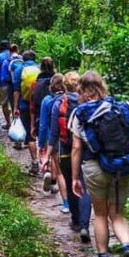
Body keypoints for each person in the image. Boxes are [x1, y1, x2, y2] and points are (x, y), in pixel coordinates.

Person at [69, 71, 129, 257]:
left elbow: (76, 148)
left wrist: (75, 177)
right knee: (117, 214)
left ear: (81, 90)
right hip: (121, 166)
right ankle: (128, 247)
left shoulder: (80, 113)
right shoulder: (121, 107)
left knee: (100, 214)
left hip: (94, 168)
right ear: (102, 86)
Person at [46, 71, 91, 241]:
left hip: (65, 151)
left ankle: (75, 221)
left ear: (65, 85)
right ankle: (85, 226)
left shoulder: (59, 103)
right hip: (85, 151)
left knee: (73, 185)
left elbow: (54, 131)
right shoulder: (86, 103)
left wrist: (48, 153)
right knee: (85, 188)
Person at [11, 50, 39, 165]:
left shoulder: (19, 70)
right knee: (44, 135)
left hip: (25, 105)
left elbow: (17, 91)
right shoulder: (40, 68)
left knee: (30, 135)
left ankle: (35, 163)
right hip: (41, 106)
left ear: (24, 59)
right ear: (34, 58)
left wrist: (15, 107)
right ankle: (48, 164)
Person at [31, 57, 56, 174]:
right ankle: (52, 172)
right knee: (55, 150)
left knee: (44, 146)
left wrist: (32, 124)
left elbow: (32, 102)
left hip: (40, 115)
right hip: (55, 116)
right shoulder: (57, 80)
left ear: (40, 66)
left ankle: (46, 169)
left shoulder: (37, 82)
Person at [2, 45, 23, 148]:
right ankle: (27, 138)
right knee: (23, 110)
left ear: (9, 51)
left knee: (15, 109)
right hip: (23, 87)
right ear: (18, 50)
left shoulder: (7, 61)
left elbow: (5, 77)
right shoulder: (23, 59)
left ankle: (18, 140)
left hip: (12, 88)